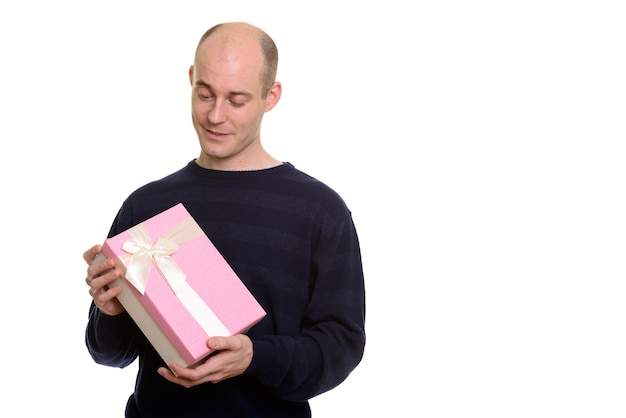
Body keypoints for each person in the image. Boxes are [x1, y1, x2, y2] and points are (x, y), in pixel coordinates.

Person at [83, 21, 366, 417]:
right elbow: (109, 355)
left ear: (271, 96)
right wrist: (111, 311)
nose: (215, 115)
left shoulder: (320, 210)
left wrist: (255, 357)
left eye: (237, 100)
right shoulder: (147, 205)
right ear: (191, 80)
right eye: (205, 94)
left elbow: (341, 347)